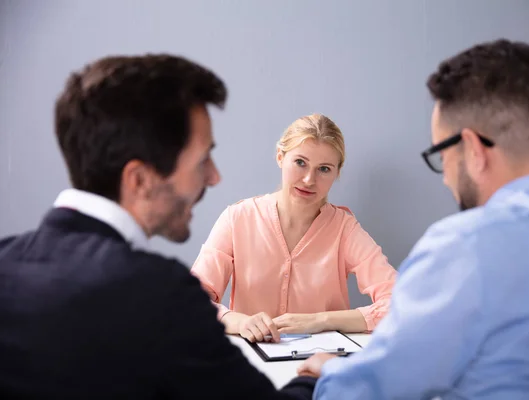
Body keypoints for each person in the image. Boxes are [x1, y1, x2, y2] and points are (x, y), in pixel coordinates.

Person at [0, 54, 317, 399]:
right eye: (202, 160)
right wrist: (318, 377)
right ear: (140, 180)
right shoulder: (160, 294)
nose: (214, 176)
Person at [297, 39, 529, 399]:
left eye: (441, 153)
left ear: (472, 149)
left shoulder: (464, 247)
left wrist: (330, 371)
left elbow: (373, 390)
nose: (444, 177)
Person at [191, 113, 397, 342]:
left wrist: (322, 321)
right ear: (280, 157)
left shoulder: (344, 229)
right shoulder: (237, 219)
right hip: (250, 362)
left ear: (337, 173)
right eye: (300, 163)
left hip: (320, 364)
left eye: (324, 169)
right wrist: (240, 322)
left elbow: (399, 303)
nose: (309, 179)